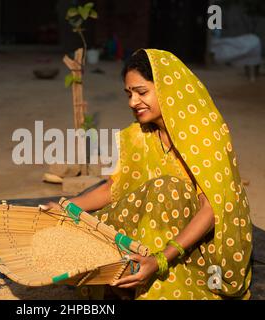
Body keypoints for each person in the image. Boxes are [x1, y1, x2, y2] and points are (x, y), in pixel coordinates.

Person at [42, 48, 252, 300]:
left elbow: (211, 211)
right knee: (83, 231)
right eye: (129, 94)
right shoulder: (138, 136)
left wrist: (159, 259)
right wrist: (65, 207)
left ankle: (148, 277)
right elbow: (113, 189)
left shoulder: (204, 134)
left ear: (167, 88)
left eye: (142, 92)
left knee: (167, 190)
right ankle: (131, 272)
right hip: (150, 232)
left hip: (195, 244)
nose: (133, 102)